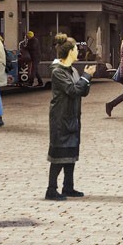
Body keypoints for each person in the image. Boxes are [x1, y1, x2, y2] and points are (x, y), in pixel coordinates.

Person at [46, 34, 91, 200]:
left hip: (72, 116)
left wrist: (87, 80)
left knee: (71, 152)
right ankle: (51, 189)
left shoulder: (72, 70)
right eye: (76, 49)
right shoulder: (58, 72)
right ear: (70, 51)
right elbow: (72, 91)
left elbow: (81, 91)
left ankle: (68, 187)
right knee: (58, 154)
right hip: (60, 118)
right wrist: (85, 77)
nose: (78, 51)